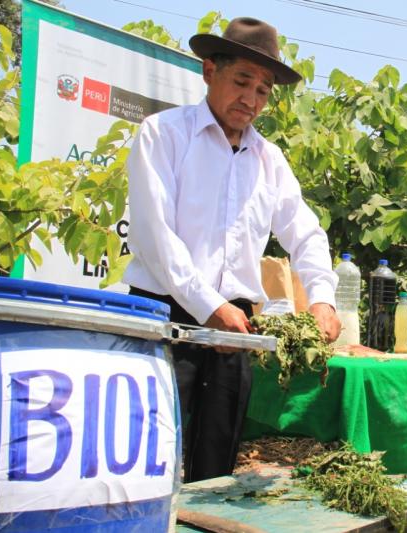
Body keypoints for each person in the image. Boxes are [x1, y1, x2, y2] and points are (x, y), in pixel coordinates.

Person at [123, 17, 341, 482]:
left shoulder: (269, 161)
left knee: (216, 465)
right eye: (242, 81)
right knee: (153, 456)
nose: (251, 99)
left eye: (263, 91)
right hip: (163, 317)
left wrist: (322, 298)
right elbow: (154, 236)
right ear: (209, 71)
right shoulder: (163, 135)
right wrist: (208, 305)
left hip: (236, 327)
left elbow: (306, 232)